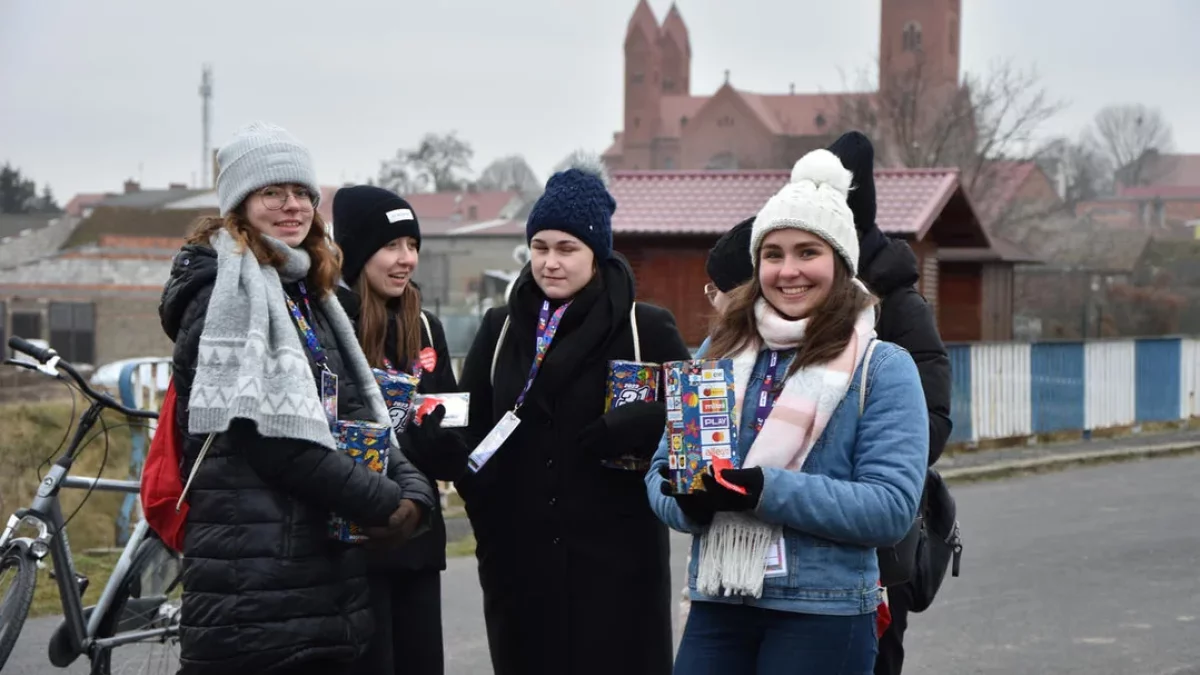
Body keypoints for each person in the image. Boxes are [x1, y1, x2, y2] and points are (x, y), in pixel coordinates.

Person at [158, 122, 436, 675]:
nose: (293, 206)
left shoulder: (307, 291)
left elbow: (359, 405)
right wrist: (383, 502)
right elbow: (272, 440)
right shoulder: (222, 295)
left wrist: (413, 488)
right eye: (272, 193)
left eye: (304, 193)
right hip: (255, 584)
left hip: (320, 573)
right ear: (240, 203)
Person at [646, 149, 929, 674]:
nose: (788, 270)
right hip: (719, 599)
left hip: (822, 610)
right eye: (773, 254)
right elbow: (660, 472)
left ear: (840, 263)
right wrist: (690, 502)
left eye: (807, 252)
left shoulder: (882, 366)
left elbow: (890, 507)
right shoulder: (717, 350)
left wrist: (763, 490)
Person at [455, 157, 691, 675]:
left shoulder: (644, 328)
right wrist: (485, 514)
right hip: (521, 570)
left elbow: (700, 417)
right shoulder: (499, 330)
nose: (550, 262)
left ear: (597, 253)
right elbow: (468, 430)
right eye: (539, 247)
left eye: (567, 248)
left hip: (619, 572)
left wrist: (639, 422)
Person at [826, 131, 953, 675]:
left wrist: (859, 473)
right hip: (795, 535)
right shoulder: (793, 304)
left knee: (875, 658)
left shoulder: (900, 307)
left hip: (876, 539)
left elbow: (933, 424)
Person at [332, 184, 468, 675]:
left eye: (412, 245)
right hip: (350, 548)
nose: (405, 258)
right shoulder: (327, 324)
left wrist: (442, 445)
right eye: (391, 246)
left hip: (416, 542)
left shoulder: (427, 328)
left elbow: (455, 435)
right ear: (354, 252)